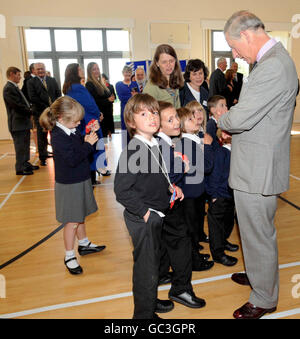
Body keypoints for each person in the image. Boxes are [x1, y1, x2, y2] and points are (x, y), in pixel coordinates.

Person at [218, 10, 299, 319]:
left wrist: (221, 120)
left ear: (248, 36)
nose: (235, 55)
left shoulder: (274, 66)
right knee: (252, 232)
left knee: (258, 234)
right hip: (254, 164)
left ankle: (264, 297)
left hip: (258, 169)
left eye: (235, 47)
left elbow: (240, 116)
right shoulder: (269, 62)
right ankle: (258, 275)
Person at [114, 93, 175, 319]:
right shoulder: (134, 151)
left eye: (154, 112)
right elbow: (122, 190)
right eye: (143, 114)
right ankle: (143, 317)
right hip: (143, 218)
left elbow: (156, 176)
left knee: (154, 265)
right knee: (146, 270)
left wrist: (171, 187)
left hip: (155, 214)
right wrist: (145, 213)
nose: (152, 117)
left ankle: (150, 302)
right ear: (131, 122)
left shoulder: (153, 143)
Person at [39, 96, 106, 275]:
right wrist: (88, 144)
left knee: (80, 214)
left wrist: (89, 133)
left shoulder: (71, 130)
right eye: (75, 121)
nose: (78, 124)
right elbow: (73, 158)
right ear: (61, 118)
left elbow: (78, 145)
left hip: (80, 178)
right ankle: (69, 255)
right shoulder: (58, 136)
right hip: (69, 184)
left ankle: (83, 244)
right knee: (72, 221)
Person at [156, 101, 207, 309]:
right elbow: (165, 176)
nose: (177, 121)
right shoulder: (163, 145)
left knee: (164, 243)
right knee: (181, 243)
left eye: (176, 117)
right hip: (164, 205)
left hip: (165, 203)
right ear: (158, 125)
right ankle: (181, 289)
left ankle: (162, 275)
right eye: (170, 119)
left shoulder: (167, 143)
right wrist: (181, 167)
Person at [175, 107, 214, 272]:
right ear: (182, 126)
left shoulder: (191, 140)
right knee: (189, 228)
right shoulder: (188, 143)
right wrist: (208, 146)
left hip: (195, 191)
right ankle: (193, 261)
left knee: (195, 223)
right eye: (190, 119)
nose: (195, 120)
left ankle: (195, 251)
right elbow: (206, 166)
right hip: (189, 194)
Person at [62, 63, 109, 185]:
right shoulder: (78, 88)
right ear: (74, 73)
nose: (82, 71)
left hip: (83, 121)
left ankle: (92, 177)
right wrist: (98, 113)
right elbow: (90, 105)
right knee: (92, 149)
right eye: (79, 69)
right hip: (89, 122)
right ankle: (92, 179)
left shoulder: (70, 88)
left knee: (88, 148)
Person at [206, 129, 239, 267]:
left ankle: (223, 241)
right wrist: (213, 195)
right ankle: (218, 254)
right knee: (216, 226)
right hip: (219, 195)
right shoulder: (221, 153)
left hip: (230, 194)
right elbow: (214, 175)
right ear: (224, 136)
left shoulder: (235, 152)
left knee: (228, 222)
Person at [3, 66, 39, 175]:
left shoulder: (15, 87)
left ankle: (25, 163)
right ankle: (20, 167)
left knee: (25, 144)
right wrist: (30, 111)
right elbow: (17, 106)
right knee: (20, 146)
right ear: (11, 74)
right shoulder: (9, 88)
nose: (20, 77)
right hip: (17, 123)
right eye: (18, 75)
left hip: (23, 122)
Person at [27, 62, 61, 166]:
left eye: (42, 68)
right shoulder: (31, 82)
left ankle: (58, 155)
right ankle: (43, 158)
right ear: (34, 71)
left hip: (54, 113)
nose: (41, 71)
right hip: (40, 113)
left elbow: (58, 93)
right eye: (38, 69)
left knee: (56, 134)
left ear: (45, 69)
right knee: (42, 136)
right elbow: (33, 98)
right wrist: (47, 108)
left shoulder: (52, 80)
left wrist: (54, 107)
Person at [185, 101, 209, 244]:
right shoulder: (187, 136)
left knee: (201, 210)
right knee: (191, 213)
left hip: (204, 179)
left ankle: (200, 233)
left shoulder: (205, 131)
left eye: (200, 111)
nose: (198, 115)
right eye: (193, 113)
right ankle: (193, 240)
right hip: (192, 182)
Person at [143, 44, 183, 108]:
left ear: (175, 61)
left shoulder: (175, 82)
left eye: (171, 61)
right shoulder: (151, 87)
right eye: (164, 62)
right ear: (157, 63)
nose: (169, 65)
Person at [86, 62, 115, 139]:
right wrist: (108, 100)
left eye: (98, 69)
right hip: (99, 118)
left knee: (104, 144)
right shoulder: (89, 84)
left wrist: (110, 99)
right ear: (89, 71)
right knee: (100, 144)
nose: (97, 71)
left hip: (106, 118)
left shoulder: (100, 83)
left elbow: (105, 97)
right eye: (94, 69)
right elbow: (94, 102)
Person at [115, 65, 139, 147]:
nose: (127, 77)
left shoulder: (135, 83)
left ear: (131, 74)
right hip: (124, 110)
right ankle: (125, 149)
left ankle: (135, 147)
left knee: (134, 128)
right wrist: (132, 96)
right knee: (125, 129)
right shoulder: (119, 84)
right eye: (126, 75)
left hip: (134, 109)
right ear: (122, 74)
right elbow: (121, 98)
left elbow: (138, 97)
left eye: (129, 75)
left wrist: (135, 96)